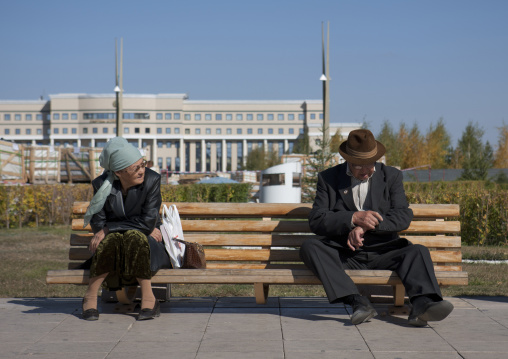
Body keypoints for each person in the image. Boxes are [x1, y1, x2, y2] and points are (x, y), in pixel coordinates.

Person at [300, 129, 453, 326]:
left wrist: (365, 226)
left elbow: (402, 215)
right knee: (310, 247)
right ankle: (358, 302)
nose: (365, 170)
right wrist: (352, 218)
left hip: (385, 252)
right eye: (358, 166)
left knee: (418, 251)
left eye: (370, 164)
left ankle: (423, 304)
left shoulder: (392, 176)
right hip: (346, 254)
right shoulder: (328, 179)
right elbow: (317, 219)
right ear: (347, 160)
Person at [81, 137, 171, 321]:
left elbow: (147, 223)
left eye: (142, 164)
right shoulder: (101, 184)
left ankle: (149, 298)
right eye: (135, 168)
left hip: (150, 247)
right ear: (119, 172)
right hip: (116, 247)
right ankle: (90, 296)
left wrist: (109, 228)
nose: (142, 171)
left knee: (134, 237)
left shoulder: (152, 180)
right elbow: (98, 223)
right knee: (117, 239)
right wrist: (108, 230)